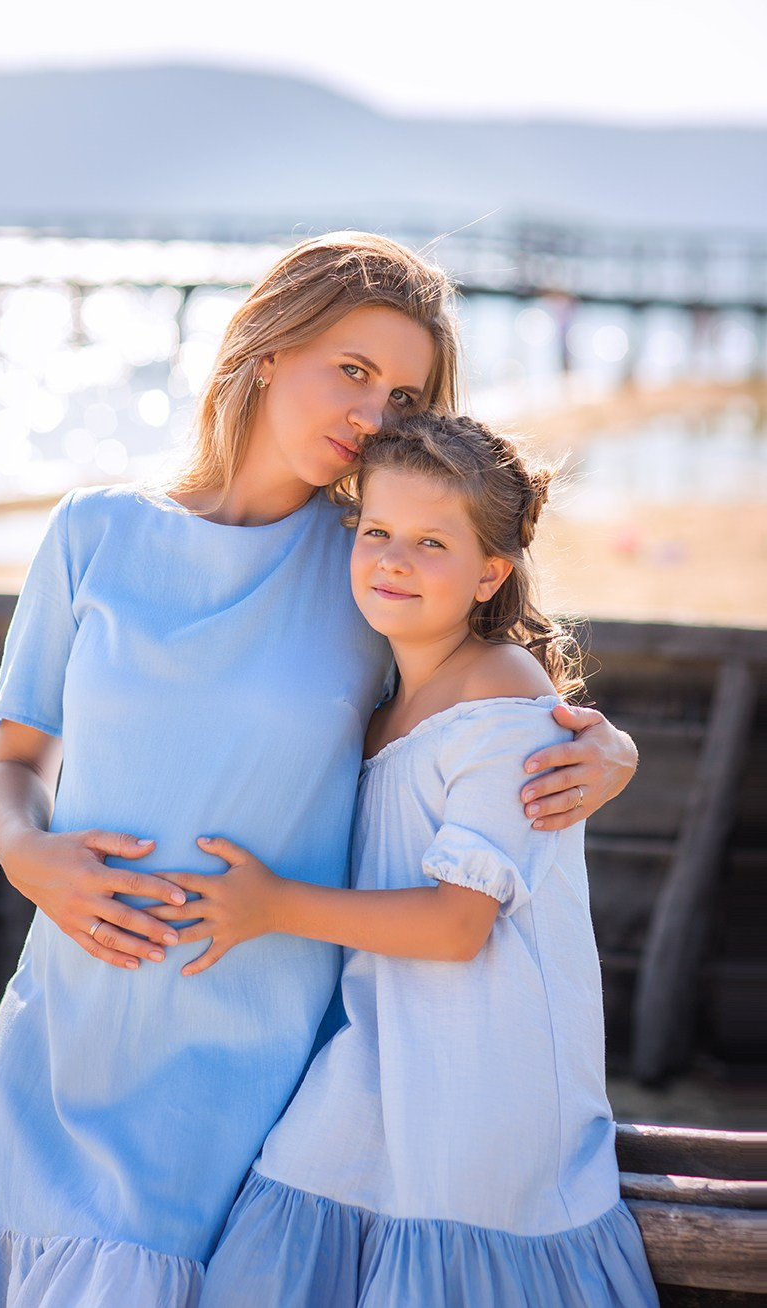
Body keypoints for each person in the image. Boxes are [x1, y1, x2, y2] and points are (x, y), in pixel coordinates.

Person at [0, 234, 637, 1307]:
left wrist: (603, 748)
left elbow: (486, 689)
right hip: (70, 1020)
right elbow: (14, 762)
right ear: (264, 349)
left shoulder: (366, 566)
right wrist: (27, 854)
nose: (371, 413)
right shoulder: (93, 532)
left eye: (402, 395)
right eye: (351, 370)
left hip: (251, 1047)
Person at [178, 415, 658, 1307]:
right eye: (376, 534)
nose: (393, 560)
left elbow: (454, 924)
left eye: (430, 543)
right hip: (379, 1051)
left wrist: (270, 904)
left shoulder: (506, 694)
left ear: (490, 573)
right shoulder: (382, 696)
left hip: (483, 1082)